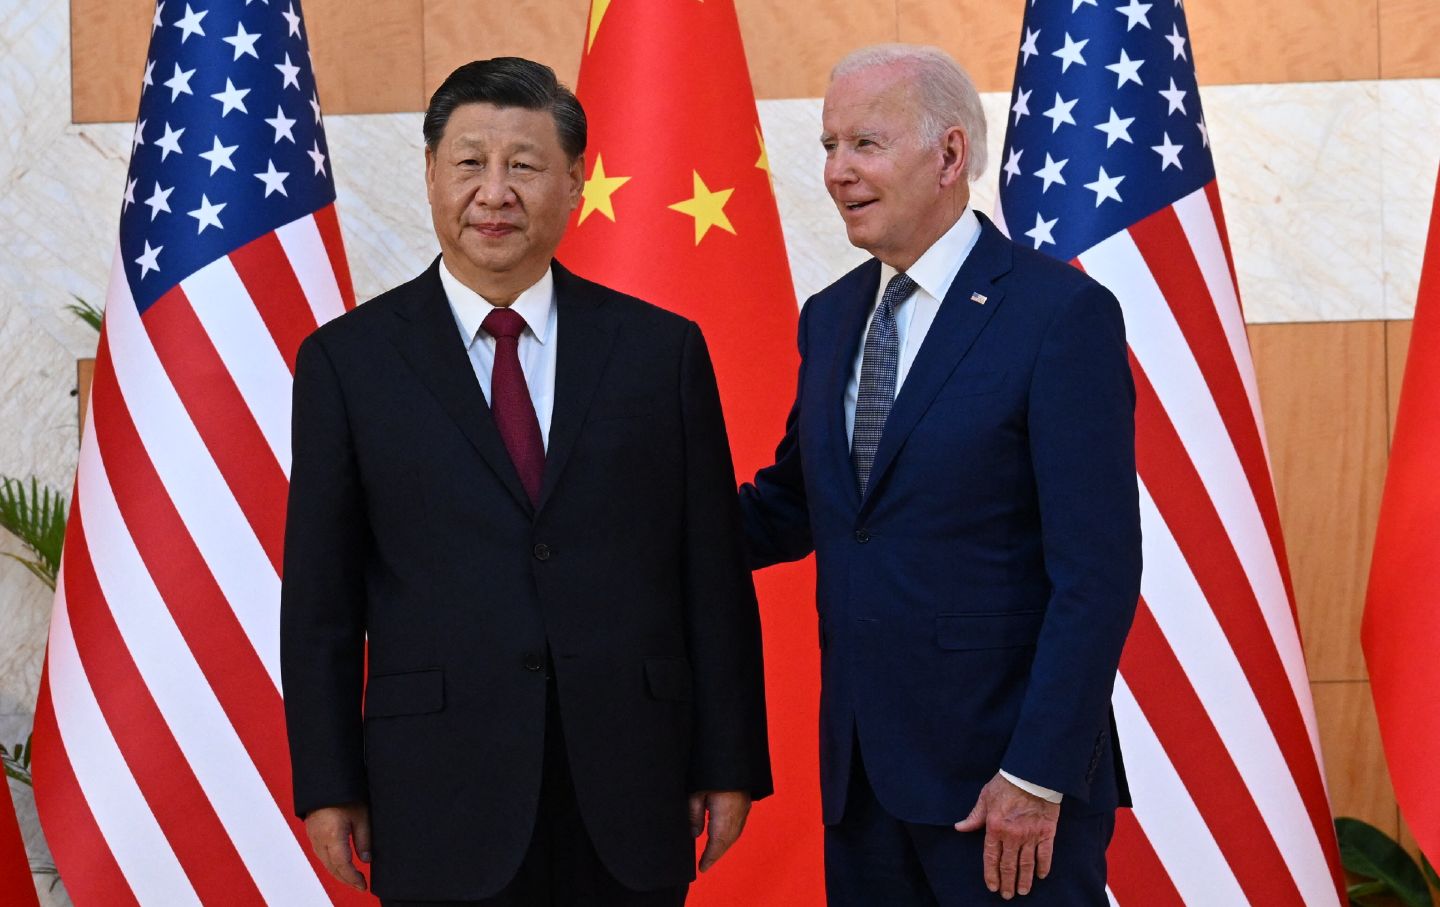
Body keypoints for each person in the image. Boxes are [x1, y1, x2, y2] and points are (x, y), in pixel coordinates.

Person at [281, 57, 771, 907]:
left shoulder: (662, 352)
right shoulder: (347, 363)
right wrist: (328, 782)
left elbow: (711, 575)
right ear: (431, 173)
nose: (495, 192)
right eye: (470, 162)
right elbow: (320, 600)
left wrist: (727, 760)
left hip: (630, 778)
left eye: (525, 165)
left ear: (576, 182)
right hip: (437, 787)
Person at [739, 45, 1141, 904]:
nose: (837, 172)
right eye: (828, 146)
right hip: (863, 784)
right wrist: (621, 517)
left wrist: (1037, 775)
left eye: (865, 146)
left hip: (1002, 791)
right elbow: (804, 504)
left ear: (950, 154)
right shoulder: (832, 315)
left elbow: (1097, 573)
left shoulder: (1059, 315)